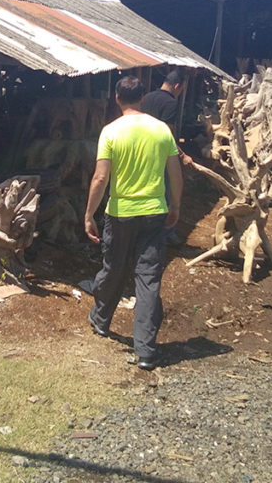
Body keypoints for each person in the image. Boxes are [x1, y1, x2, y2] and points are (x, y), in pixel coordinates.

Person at [84, 75, 183, 370]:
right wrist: (175, 206)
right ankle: (146, 350)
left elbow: (101, 178)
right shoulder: (162, 130)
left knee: (113, 267)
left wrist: (89, 214)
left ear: (117, 98)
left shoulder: (110, 132)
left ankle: (101, 320)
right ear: (142, 98)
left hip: (120, 212)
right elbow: (175, 175)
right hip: (154, 212)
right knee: (148, 278)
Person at [140, 70, 192, 245]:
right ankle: (167, 233)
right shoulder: (171, 103)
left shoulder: (146, 98)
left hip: (141, 150)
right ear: (177, 86)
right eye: (181, 89)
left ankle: (142, 228)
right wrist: (183, 155)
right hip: (160, 153)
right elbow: (167, 135)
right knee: (167, 191)